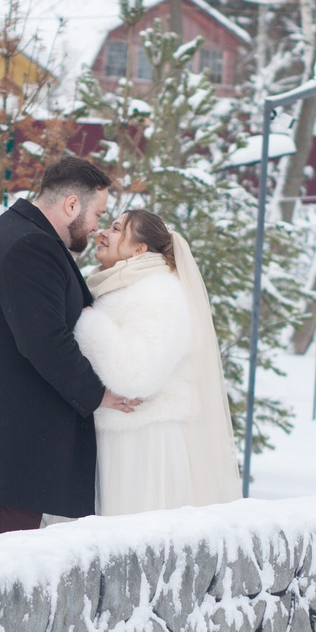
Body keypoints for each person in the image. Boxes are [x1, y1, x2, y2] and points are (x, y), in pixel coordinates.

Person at [0, 154, 142, 539]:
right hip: (4, 452)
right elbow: (45, 341)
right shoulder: (30, 247)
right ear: (72, 204)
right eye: (96, 213)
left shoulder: (13, 232)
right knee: (2, 576)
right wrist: (98, 394)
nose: (96, 227)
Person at [73, 209, 244, 513]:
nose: (103, 234)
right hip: (123, 440)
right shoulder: (122, 288)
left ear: (140, 249)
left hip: (146, 446)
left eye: (116, 229)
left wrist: (89, 323)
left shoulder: (158, 293)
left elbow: (137, 376)